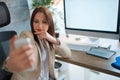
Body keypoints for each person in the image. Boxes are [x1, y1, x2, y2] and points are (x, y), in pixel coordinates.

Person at [3, 6, 71, 80]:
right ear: (32, 23)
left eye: (44, 22)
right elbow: (9, 65)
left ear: (49, 24)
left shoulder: (48, 40)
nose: (40, 26)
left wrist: (53, 39)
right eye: (36, 21)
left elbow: (67, 54)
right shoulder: (26, 35)